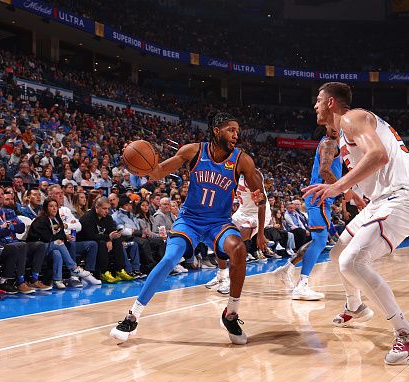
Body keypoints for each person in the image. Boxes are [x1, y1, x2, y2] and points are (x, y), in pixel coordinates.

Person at [110, 112, 267, 345]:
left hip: (218, 223)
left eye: (237, 130)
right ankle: (133, 316)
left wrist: (261, 227)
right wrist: (142, 163)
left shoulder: (242, 160)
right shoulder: (192, 151)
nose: (236, 134)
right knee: (170, 257)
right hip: (190, 220)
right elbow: (158, 172)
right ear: (216, 130)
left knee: (239, 250)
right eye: (230, 130)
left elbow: (261, 198)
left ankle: (231, 314)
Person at [303, 82, 409, 365]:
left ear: (332, 103)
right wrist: (356, 194)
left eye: (319, 100)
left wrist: (337, 187)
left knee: (353, 262)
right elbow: (372, 166)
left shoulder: (352, 118)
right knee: (337, 254)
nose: (315, 106)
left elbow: (378, 155)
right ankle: (355, 306)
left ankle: (407, 334)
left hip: (401, 198)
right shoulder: (345, 132)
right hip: (380, 200)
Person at [273, 125, 364, 300]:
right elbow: (324, 171)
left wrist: (351, 193)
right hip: (319, 197)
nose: (335, 128)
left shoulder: (336, 145)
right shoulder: (329, 144)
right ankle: (302, 285)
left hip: (324, 199)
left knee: (318, 240)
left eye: (338, 125)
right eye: (331, 125)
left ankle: (286, 269)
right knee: (321, 240)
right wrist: (345, 190)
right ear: (326, 127)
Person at [204, 169, 271, 295]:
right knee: (219, 238)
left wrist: (261, 234)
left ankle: (231, 281)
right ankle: (222, 275)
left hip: (256, 215)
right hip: (242, 212)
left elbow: (262, 205)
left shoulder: (253, 175)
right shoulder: (231, 174)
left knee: (235, 243)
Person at [27, 198, 99, 289]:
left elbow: (62, 236)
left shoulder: (57, 219)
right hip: (37, 248)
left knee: (57, 252)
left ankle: (57, 280)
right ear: (45, 208)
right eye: (51, 206)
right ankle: (73, 268)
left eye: (55, 206)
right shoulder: (40, 220)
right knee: (59, 243)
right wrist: (60, 238)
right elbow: (46, 238)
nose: (54, 208)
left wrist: (65, 237)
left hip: (50, 247)